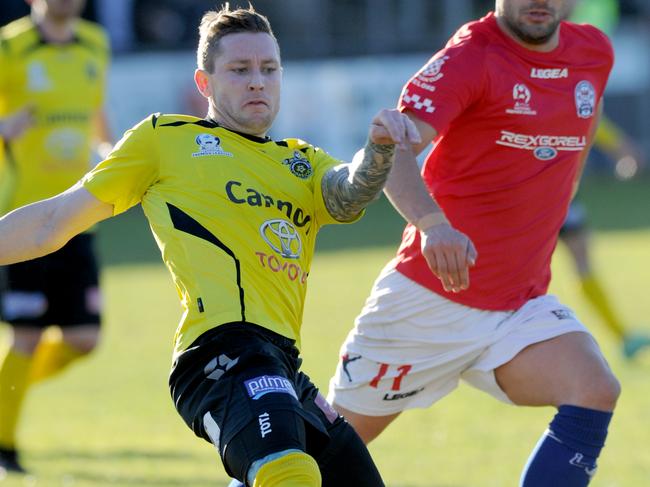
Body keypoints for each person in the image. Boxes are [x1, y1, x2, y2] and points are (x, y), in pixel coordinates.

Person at [0, 4, 420, 485]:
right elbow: (52, 221)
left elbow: (346, 197)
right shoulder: (165, 141)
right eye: (240, 70)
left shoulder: (301, 162)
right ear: (205, 83)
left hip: (283, 365)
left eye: (268, 69)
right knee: (289, 472)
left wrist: (380, 148)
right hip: (217, 355)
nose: (257, 81)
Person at [328, 1, 621, 486]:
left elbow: (580, 135)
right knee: (321, 457)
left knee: (594, 388)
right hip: (426, 305)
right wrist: (432, 224)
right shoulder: (471, 56)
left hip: (517, 305)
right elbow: (389, 148)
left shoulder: (594, 52)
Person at [0, 0, 112, 475]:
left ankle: (8, 389)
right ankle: (4, 442)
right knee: (26, 336)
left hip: (75, 216)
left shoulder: (96, 44)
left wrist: (111, 153)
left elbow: (96, 111)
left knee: (84, 339)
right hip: (22, 221)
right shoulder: (9, 46)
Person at [559, 0, 650, 359]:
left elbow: (587, 109)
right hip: (529, 187)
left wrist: (621, 149)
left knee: (580, 254)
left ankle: (621, 337)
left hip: (559, 185)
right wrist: (623, 148)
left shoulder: (571, 57)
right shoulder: (548, 56)